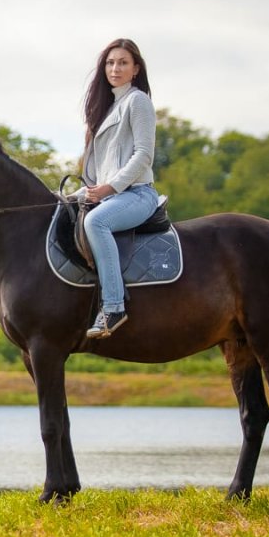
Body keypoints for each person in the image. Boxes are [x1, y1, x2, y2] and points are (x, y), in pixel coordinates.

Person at [74, 38, 159, 339]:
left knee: (97, 222)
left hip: (137, 194)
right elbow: (98, 168)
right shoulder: (108, 108)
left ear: (136, 69)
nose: (115, 68)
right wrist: (82, 192)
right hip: (108, 194)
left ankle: (113, 307)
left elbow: (143, 155)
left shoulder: (138, 101)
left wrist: (111, 187)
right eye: (110, 63)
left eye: (123, 62)